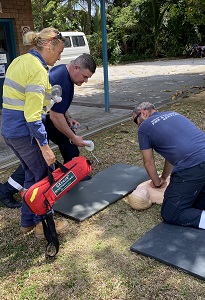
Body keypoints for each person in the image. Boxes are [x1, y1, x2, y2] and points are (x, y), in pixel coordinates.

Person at [0, 54, 96, 211]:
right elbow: (55, 115)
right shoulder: (60, 77)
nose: (85, 81)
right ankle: (7, 191)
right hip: (39, 124)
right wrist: (74, 137)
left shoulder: (66, 75)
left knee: (66, 145)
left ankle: (74, 175)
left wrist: (69, 117)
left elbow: (58, 105)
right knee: (37, 163)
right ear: (76, 68)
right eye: (85, 76)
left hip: (45, 123)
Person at [1, 27, 69, 237]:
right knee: (43, 177)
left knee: (31, 174)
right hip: (24, 132)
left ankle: (27, 222)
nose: (58, 58)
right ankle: (43, 225)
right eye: (59, 53)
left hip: (10, 130)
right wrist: (46, 147)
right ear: (49, 45)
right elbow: (32, 116)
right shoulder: (38, 70)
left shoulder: (20, 60)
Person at [133, 101, 205, 229]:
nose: (138, 126)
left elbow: (148, 162)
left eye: (136, 121)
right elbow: (171, 157)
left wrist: (156, 183)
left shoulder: (144, 128)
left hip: (193, 166)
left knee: (171, 212)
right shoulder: (174, 114)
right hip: (200, 161)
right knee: (197, 202)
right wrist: (163, 178)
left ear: (143, 112)